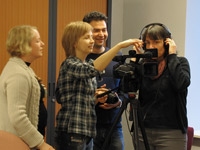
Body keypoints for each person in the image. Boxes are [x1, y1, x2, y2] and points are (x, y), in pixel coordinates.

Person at [54, 21, 143, 150]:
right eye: (86, 38)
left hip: (87, 131)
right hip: (72, 131)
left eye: (91, 37)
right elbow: (94, 69)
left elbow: (82, 100)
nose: (92, 41)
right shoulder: (70, 63)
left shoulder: (87, 63)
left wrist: (97, 98)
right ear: (74, 43)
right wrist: (119, 46)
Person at [134, 23, 191, 150]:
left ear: (166, 43)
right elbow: (128, 87)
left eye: (156, 42)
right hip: (143, 130)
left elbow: (181, 83)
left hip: (172, 132)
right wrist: (136, 60)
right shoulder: (143, 65)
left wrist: (172, 56)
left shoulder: (180, 63)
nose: (151, 47)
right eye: (147, 43)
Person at [0, 25, 55, 150]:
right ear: (23, 45)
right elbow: (18, 116)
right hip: (17, 143)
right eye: (37, 40)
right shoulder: (18, 73)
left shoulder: (23, 69)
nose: (42, 43)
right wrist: (41, 144)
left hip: (23, 142)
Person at [83, 11, 124, 150]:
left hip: (114, 126)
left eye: (104, 30)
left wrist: (118, 102)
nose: (101, 34)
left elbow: (124, 89)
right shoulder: (79, 58)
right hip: (87, 127)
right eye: (96, 30)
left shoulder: (116, 57)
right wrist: (93, 97)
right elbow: (61, 95)